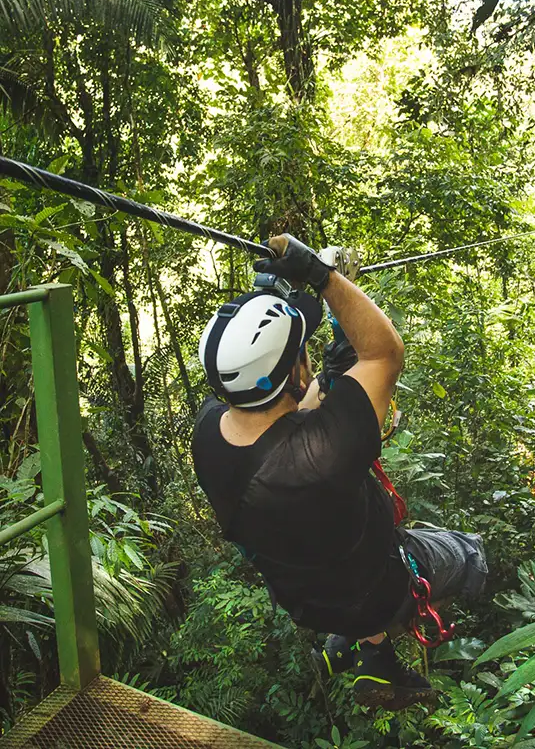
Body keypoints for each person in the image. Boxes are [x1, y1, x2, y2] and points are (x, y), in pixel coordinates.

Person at [191, 234, 487, 710]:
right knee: (469, 554)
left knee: (338, 558)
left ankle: (363, 647)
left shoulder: (207, 435)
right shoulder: (324, 454)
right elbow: (383, 352)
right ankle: (377, 630)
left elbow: (279, 422)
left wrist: (310, 390)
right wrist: (322, 275)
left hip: (306, 598)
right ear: (294, 375)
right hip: (379, 588)